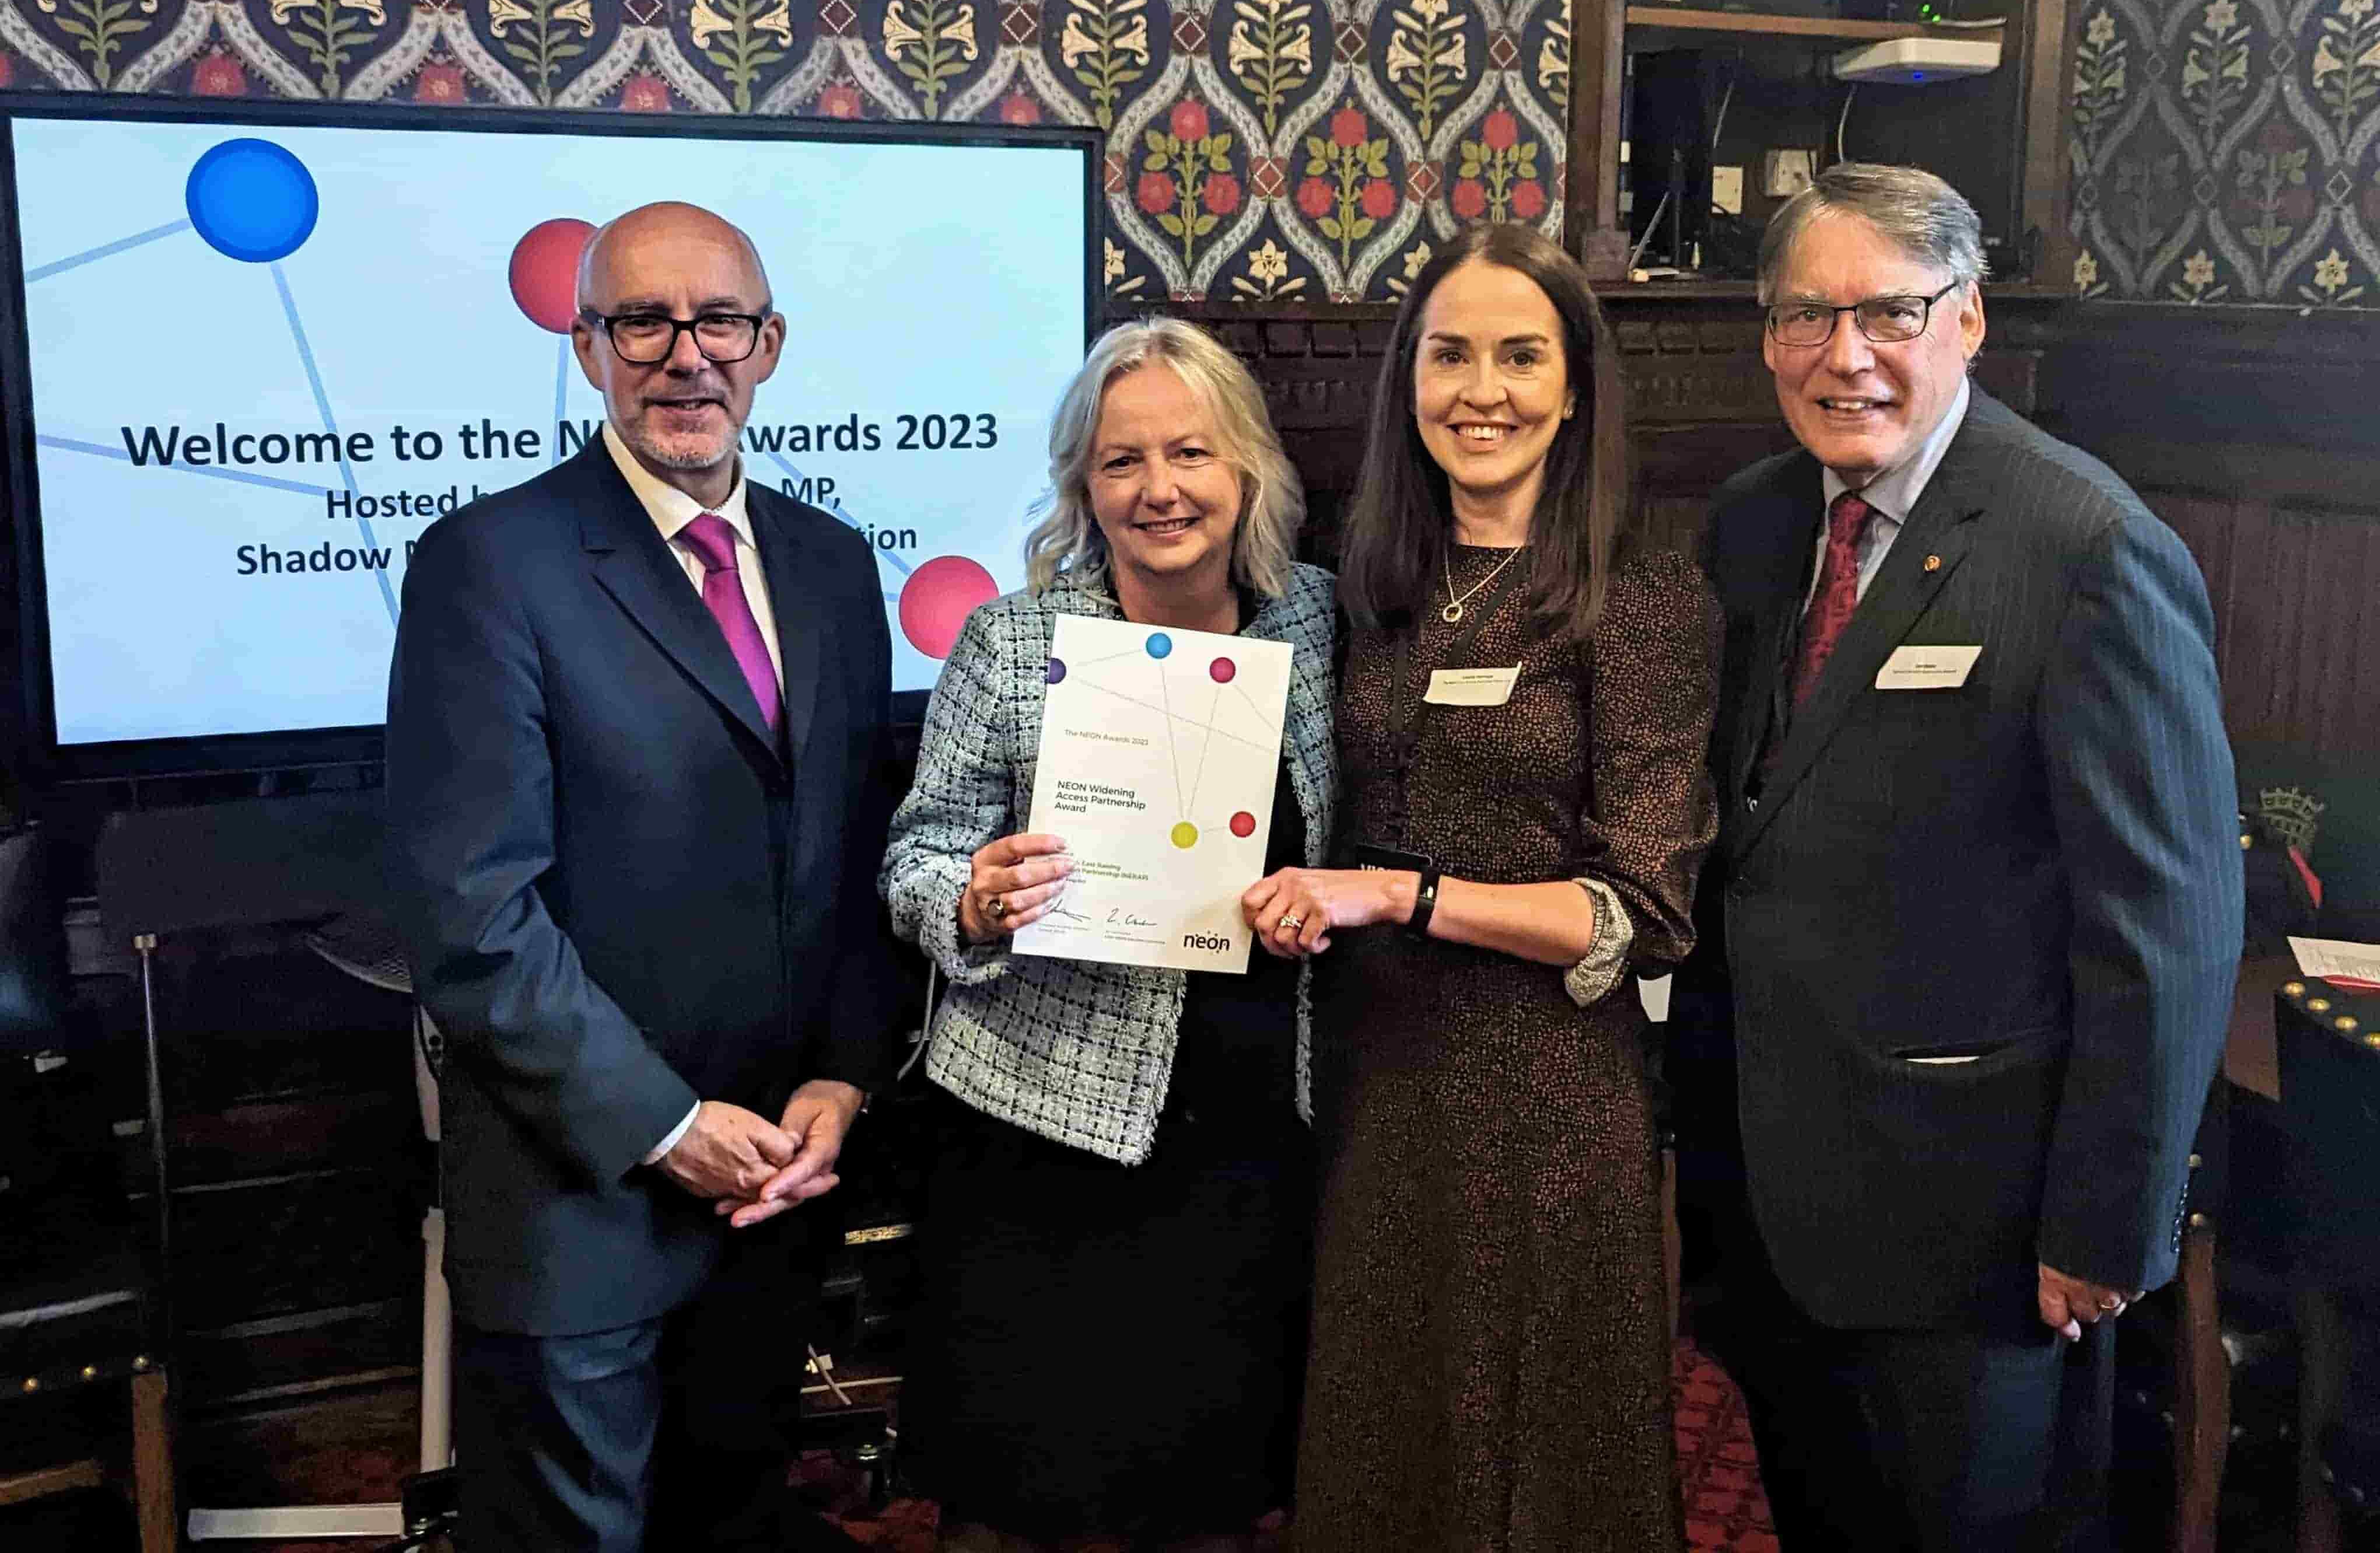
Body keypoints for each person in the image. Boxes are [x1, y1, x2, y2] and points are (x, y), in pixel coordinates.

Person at [1670, 164, 2241, 1551]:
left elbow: (2168, 930)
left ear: (1969, 321)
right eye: (1806, 315)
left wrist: (2109, 1229)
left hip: (1978, 1235)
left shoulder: (2087, 546)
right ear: (1765, 334)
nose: (1844, 355)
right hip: (1773, 1200)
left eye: (1888, 312)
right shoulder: (1749, 524)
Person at [385, 201, 900, 1552]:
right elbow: (473, 917)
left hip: (777, 1189)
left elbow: (850, 853)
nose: (687, 355)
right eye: (643, 322)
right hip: (586, 1206)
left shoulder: (835, 567)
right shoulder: (488, 564)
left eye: (718, 319)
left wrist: (843, 1077)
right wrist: (672, 1130)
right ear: (588, 346)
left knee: (734, 1524)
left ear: (770, 343)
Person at [1245, 222, 1718, 1553]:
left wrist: (1400, 893)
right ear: (1409, 384)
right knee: (1379, 1434)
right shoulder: (1367, 593)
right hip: (1374, 1076)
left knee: (1547, 1469)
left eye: (1522, 356)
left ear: (1575, 388)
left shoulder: (1644, 601)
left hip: (1552, 1100)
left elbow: (1643, 915)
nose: (1483, 390)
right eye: (1450, 355)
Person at [880, 319, 1336, 1553]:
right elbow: (912, 854)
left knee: (1212, 1493)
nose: (1159, 489)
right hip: (1042, 1127)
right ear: (1083, 482)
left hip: (1248, 1137)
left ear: (1247, 470)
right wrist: (972, 895)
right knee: (1016, 1491)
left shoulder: (1323, 628)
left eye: (1190, 452)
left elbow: (1365, 843)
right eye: (1121, 460)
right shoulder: (1013, 641)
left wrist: (1323, 898)